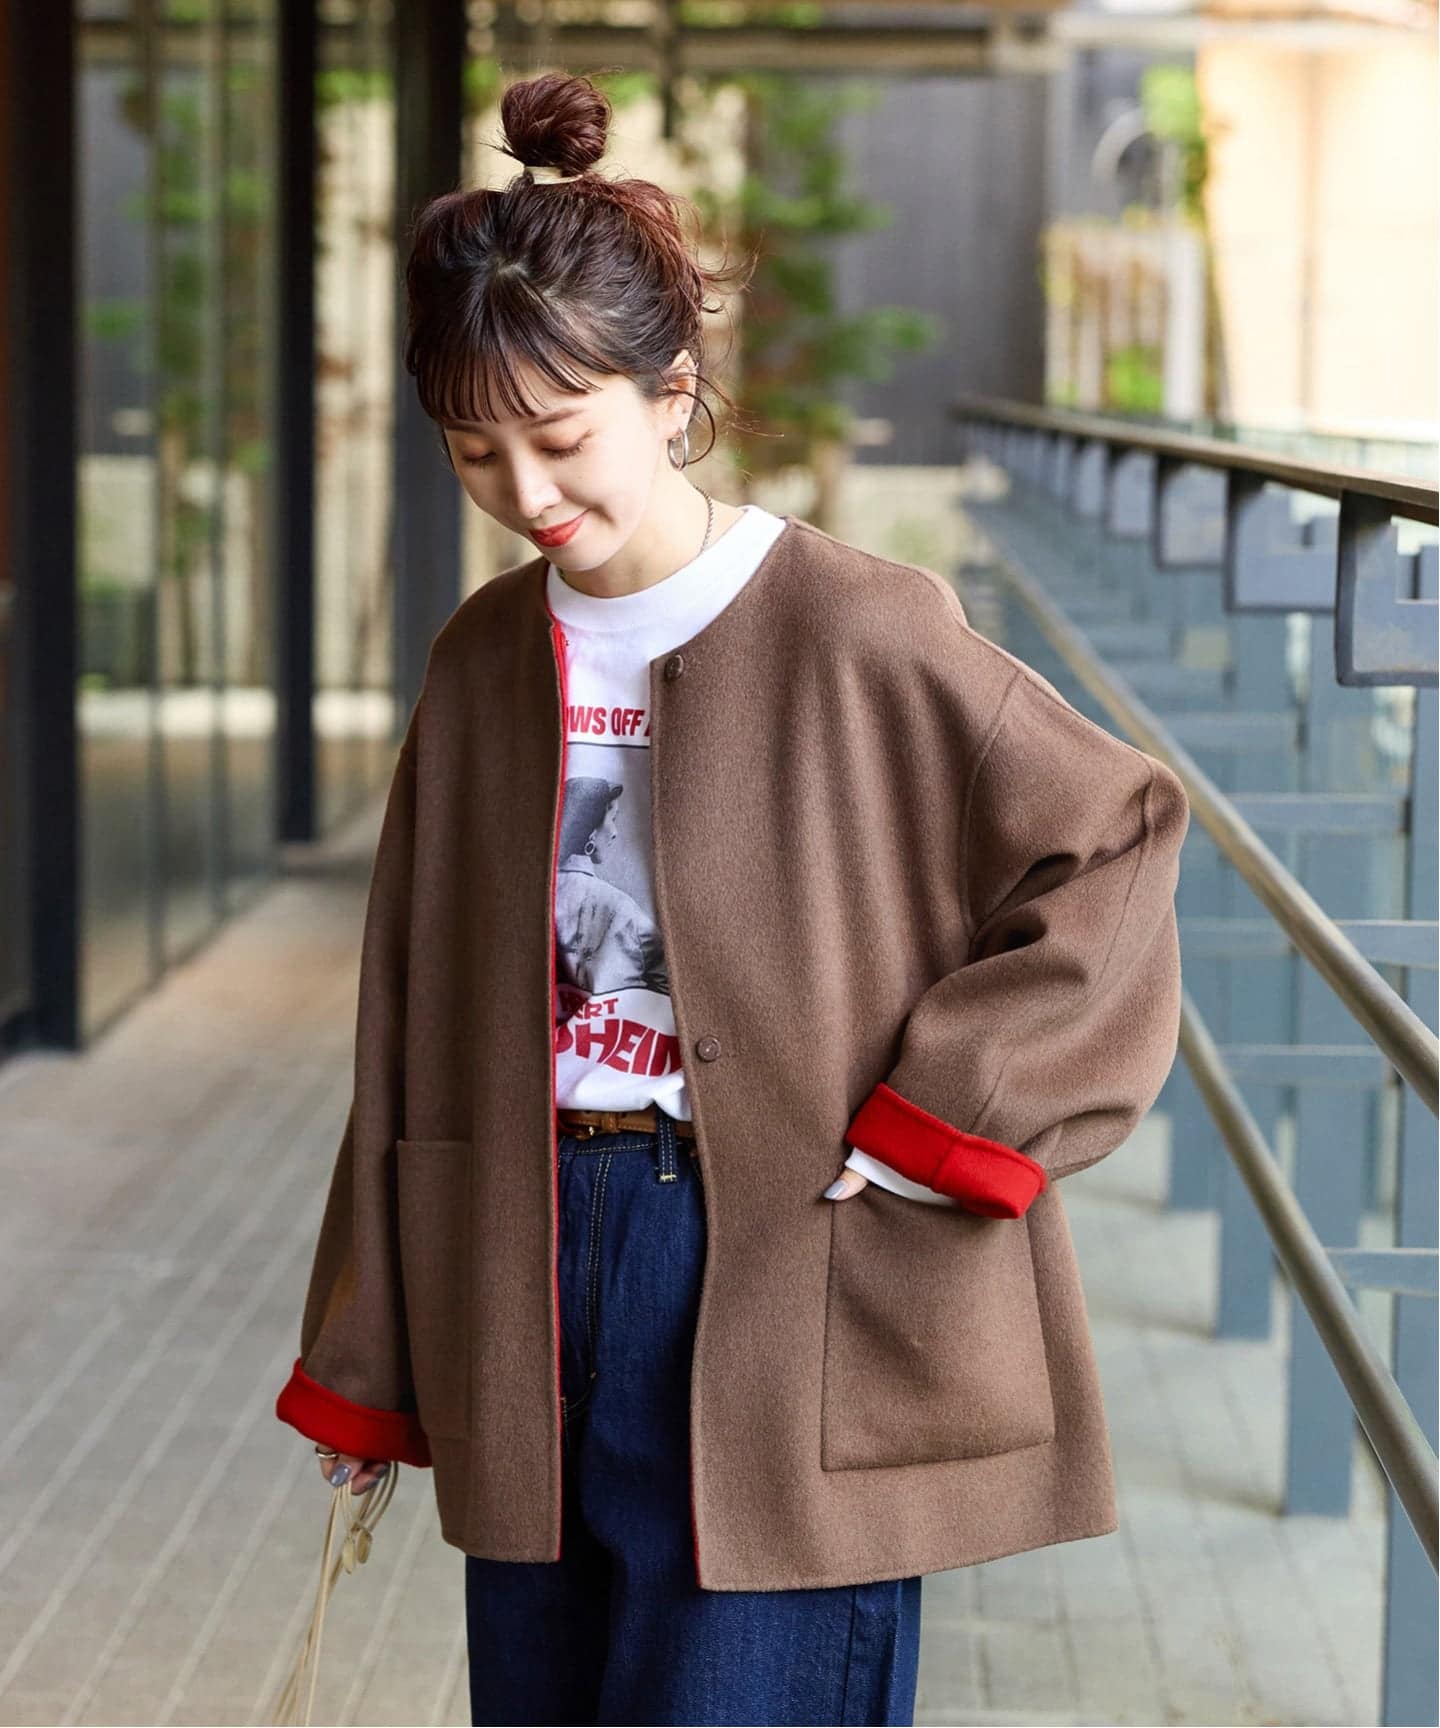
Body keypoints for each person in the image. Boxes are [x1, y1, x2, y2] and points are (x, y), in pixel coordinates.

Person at [276, 70, 1190, 1728]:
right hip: (524, 1260)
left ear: (672, 391)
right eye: (476, 451)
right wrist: (371, 1349)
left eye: (563, 438)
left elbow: (1115, 840)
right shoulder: (480, 660)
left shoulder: (858, 625)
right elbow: (406, 1018)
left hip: (779, 1258)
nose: (526, 492)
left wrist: (941, 1123)